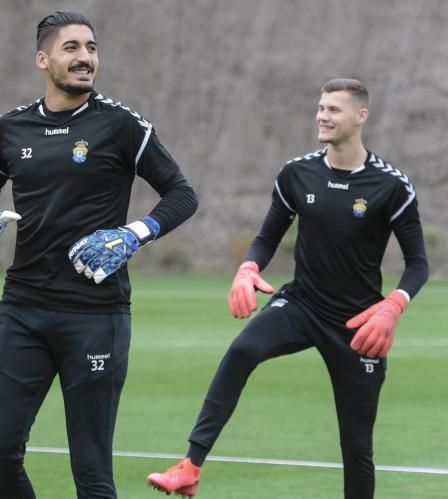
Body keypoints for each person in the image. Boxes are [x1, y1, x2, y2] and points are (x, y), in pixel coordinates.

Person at [147, 78, 429, 498]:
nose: (322, 115)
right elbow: (266, 238)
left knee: (357, 447)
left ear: (360, 116)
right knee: (242, 350)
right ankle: (190, 466)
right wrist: (247, 267)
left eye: (333, 109)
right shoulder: (298, 173)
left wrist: (393, 305)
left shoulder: (391, 185)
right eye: (320, 107)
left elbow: (418, 264)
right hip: (302, 304)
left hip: (358, 324)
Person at [0, 10, 198, 499]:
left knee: (91, 472)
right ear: (42, 59)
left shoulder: (121, 126)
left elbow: (181, 194)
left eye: (91, 48)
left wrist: (136, 233)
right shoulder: (9, 129)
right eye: (71, 48)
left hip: (95, 315)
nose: (85, 58)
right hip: (22, 310)